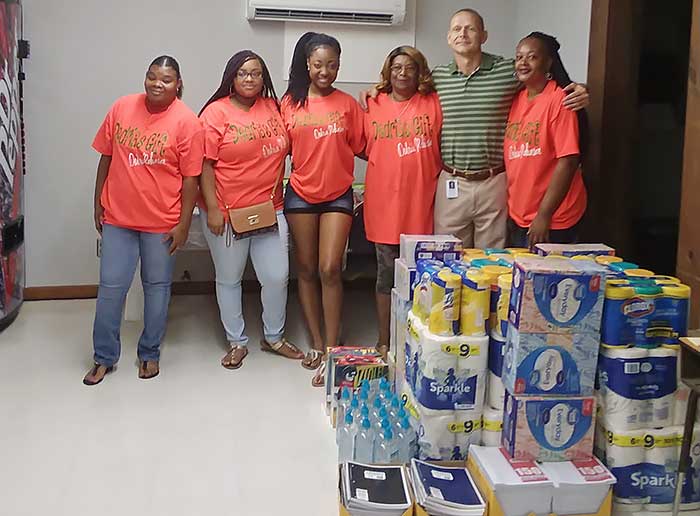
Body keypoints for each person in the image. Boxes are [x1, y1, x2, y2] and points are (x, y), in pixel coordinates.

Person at [360, 8, 589, 248]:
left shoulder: (508, 71)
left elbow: (540, 78)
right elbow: (401, 85)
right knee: (448, 255)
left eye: (470, 28)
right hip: (452, 180)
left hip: (494, 182)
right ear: (449, 38)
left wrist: (581, 90)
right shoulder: (437, 77)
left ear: (484, 35)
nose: (463, 34)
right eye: (457, 29)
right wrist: (376, 90)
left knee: (492, 258)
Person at [83, 55, 203, 385]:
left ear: (178, 84)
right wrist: (98, 202)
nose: (157, 84)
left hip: (161, 223)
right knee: (111, 289)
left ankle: (150, 352)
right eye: (152, 76)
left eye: (166, 79)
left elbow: (191, 180)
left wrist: (183, 224)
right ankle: (103, 356)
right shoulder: (122, 108)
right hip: (118, 218)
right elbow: (106, 158)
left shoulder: (187, 122)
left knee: (157, 288)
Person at [198, 50, 304, 370]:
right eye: (243, 73)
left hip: (270, 209)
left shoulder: (273, 107)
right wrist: (213, 208)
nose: (249, 79)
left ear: (263, 78)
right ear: (232, 77)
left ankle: (274, 337)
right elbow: (204, 165)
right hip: (227, 213)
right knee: (229, 278)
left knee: (277, 276)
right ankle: (237, 342)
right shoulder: (215, 113)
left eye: (256, 73)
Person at [281, 32, 365, 385]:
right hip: (300, 194)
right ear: (307, 64)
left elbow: (366, 146)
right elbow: (274, 150)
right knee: (306, 269)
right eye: (318, 64)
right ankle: (316, 343)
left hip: (338, 195)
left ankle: (333, 348)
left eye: (332, 65)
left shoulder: (347, 105)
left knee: (330, 268)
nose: (325, 71)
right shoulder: (289, 103)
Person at [363, 46, 442, 356]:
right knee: (386, 278)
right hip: (384, 207)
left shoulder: (434, 102)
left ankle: (416, 342)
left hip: (423, 205)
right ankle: (384, 340)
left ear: (419, 71)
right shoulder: (372, 104)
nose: (403, 73)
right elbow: (361, 147)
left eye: (410, 67)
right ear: (388, 71)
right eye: (396, 67)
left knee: (422, 281)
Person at [504, 33, 588, 248]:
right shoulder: (517, 99)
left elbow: (568, 161)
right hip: (520, 215)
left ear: (548, 62)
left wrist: (544, 215)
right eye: (519, 57)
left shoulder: (560, 100)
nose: (523, 63)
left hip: (553, 219)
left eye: (532, 57)